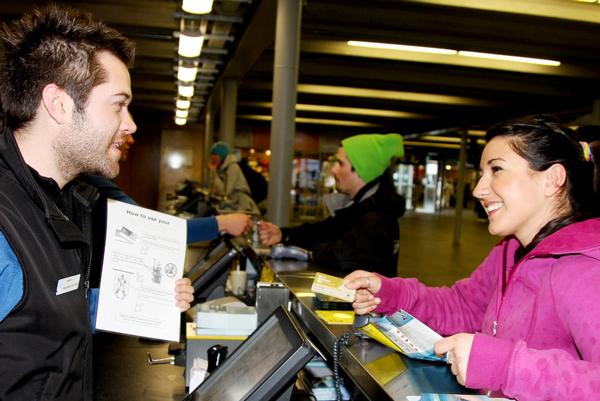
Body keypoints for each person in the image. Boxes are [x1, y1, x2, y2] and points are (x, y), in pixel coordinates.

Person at [0, 5, 194, 400]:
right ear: (59, 104)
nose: (131, 124)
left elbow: (44, 312)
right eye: (118, 104)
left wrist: (145, 299)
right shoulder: (5, 221)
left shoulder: (64, 201)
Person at [345, 115, 600, 401]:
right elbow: (464, 306)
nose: (478, 189)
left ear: (552, 180)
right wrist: (391, 292)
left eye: (497, 170)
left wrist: (504, 366)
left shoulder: (586, 270)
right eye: (481, 173)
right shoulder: (510, 251)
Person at [82, 136, 253, 287]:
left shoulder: (92, 181)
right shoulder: (92, 182)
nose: (132, 138)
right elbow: (147, 227)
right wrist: (222, 223)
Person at [259, 133, 406, 276]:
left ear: (362, 170)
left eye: (340, 163)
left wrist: (310, 254)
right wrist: (284, 234)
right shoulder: (360, 208)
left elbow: (343, 256)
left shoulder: (378, 218)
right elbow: (323, 231)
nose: (334, 169)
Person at [208, 141, 260, 215]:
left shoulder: (232, 167)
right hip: (234, 205)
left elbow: (225, 192)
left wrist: (214, 172)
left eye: (215, 155)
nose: (212, 159)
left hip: (242, 205)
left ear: (221, 156)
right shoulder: (222, 169)